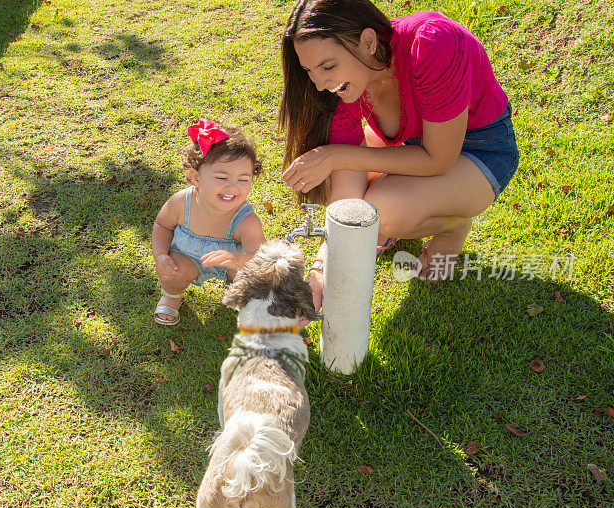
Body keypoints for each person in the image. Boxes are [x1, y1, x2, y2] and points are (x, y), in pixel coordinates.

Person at [278, 0, 520, 308]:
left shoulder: (432, 44)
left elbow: (438, 158)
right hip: (412, 146)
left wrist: (337, 156)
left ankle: (451, 226)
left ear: (368, 42)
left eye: (328, 66)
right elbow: (346, 193)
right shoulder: (344, 82)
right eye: (309, 70)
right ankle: (391, 223)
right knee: (350, 199)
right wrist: (322, 269)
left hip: (480, 150)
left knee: (379, 209)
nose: (319, 83)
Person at [152, 119, 266, 326]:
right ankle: (172, 294)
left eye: (243, 179)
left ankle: (245, 299)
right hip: (187, 257)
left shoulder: (247, 221)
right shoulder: (181, 203)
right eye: (221, 178)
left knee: (253, 278)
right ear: (195, 177)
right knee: (172, 271)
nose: (233, 187)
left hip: (233, 264)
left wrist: (236, 260)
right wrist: (160, 256)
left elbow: (260, 259)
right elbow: (162, 226)